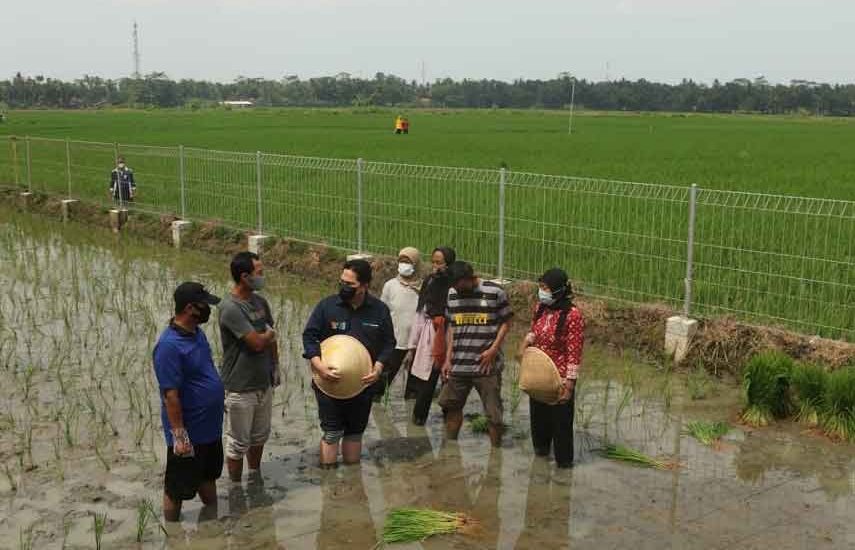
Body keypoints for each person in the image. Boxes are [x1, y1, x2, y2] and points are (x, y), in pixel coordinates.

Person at [302, 259, 396, 466]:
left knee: (355, 433)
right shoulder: (327, 306)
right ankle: (329, 481)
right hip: (328, 382)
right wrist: (318, 364)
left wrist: (378, 367)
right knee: (332, 431)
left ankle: (353, 483)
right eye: (342, 282)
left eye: (350, 285)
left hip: (363, 383)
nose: (344, 287)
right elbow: (310, 336)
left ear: (364, 286)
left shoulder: (379, 310)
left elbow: (389, 343)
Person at [152, 282, 224, 522]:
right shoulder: (168, 346)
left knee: (208, 475)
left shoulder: (197, 333)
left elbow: (205, 371)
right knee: (177, 487)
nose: (208, 310)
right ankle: (172, 531)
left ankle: (211, 521)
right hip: (190, 430)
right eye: (204, 305)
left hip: (210, 425)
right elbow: (170, 395)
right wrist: (179, 435)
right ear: (190, 308)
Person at [218, 251, 280, 483]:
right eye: (259, 273)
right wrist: (267, 335)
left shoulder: (260, 302)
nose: (263, 277)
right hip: (240, 387)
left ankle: (254, 476)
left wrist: (275, 365)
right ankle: (235, 486)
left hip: (263, 382)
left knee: (259, 436)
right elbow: (255, 343)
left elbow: (271, 337)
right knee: (238, 442)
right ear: (244, 277)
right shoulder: (231, 308)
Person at [439, 261, 513, 447]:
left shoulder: (495, 292)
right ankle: (451, 450)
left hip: (486, 365)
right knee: (452, 407)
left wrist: (493, 349)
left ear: (471, 278)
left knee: (494, 415)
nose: (457, 288)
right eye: (454, 285)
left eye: (460, 284)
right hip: (458, 364)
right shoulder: (452, 294)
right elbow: (451, 327)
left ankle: (496, 455)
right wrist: (448, 359)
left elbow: (506, 322)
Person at [521, 268, 584, 468]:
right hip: (538, 375)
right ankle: (539, 464)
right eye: (540, 287)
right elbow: (533, 332)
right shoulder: (540, 308)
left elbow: (574, 352)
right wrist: (524, 346)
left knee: (561, 426)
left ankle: (563, 469)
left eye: (545, 288)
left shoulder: (572, 315)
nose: (542, 292)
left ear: (558, 290)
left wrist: (570, 385)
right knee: (539, 423)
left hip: (560, 379)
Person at [407, 246, 456, 424]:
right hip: (432, 334)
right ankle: (419, 418)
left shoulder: (456, 284)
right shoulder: (429, 281)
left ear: (449, 264)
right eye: (433, 262)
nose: (435, 266)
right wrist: (413, 344)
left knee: (449, 378)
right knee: (429, 377)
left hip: (451, 332)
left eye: (439, 263)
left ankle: (448, 418)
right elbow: (421, 312)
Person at [373, 247, 422, 402]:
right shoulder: (391, 285)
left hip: (416, 343)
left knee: (414, 382)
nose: (404, 265)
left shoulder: (423, 287)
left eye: (408, 262)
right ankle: (375, 403)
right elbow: (382, 312)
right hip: (394, 340)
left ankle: (411, 412)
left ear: (416, 264)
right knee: (385, 376)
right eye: (401, 261)